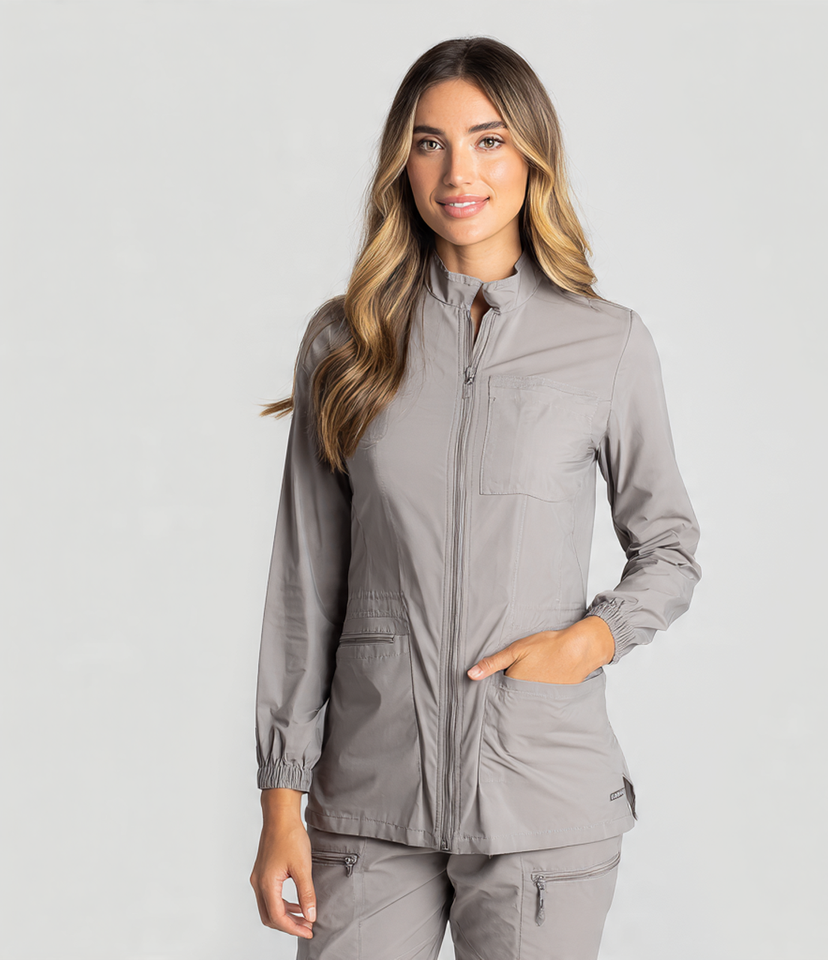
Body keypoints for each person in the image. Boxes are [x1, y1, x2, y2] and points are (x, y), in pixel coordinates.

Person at [249, 36, 701, 960]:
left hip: (542, 802)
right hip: (370, 805)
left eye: (489, 141)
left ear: (532, 156)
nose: (459, 172)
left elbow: (669, 546)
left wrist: (590, 640)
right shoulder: (345, 343)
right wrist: (280, 801)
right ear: (401, 164)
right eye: (430, 143)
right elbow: (306, 586)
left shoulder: (605, 343)